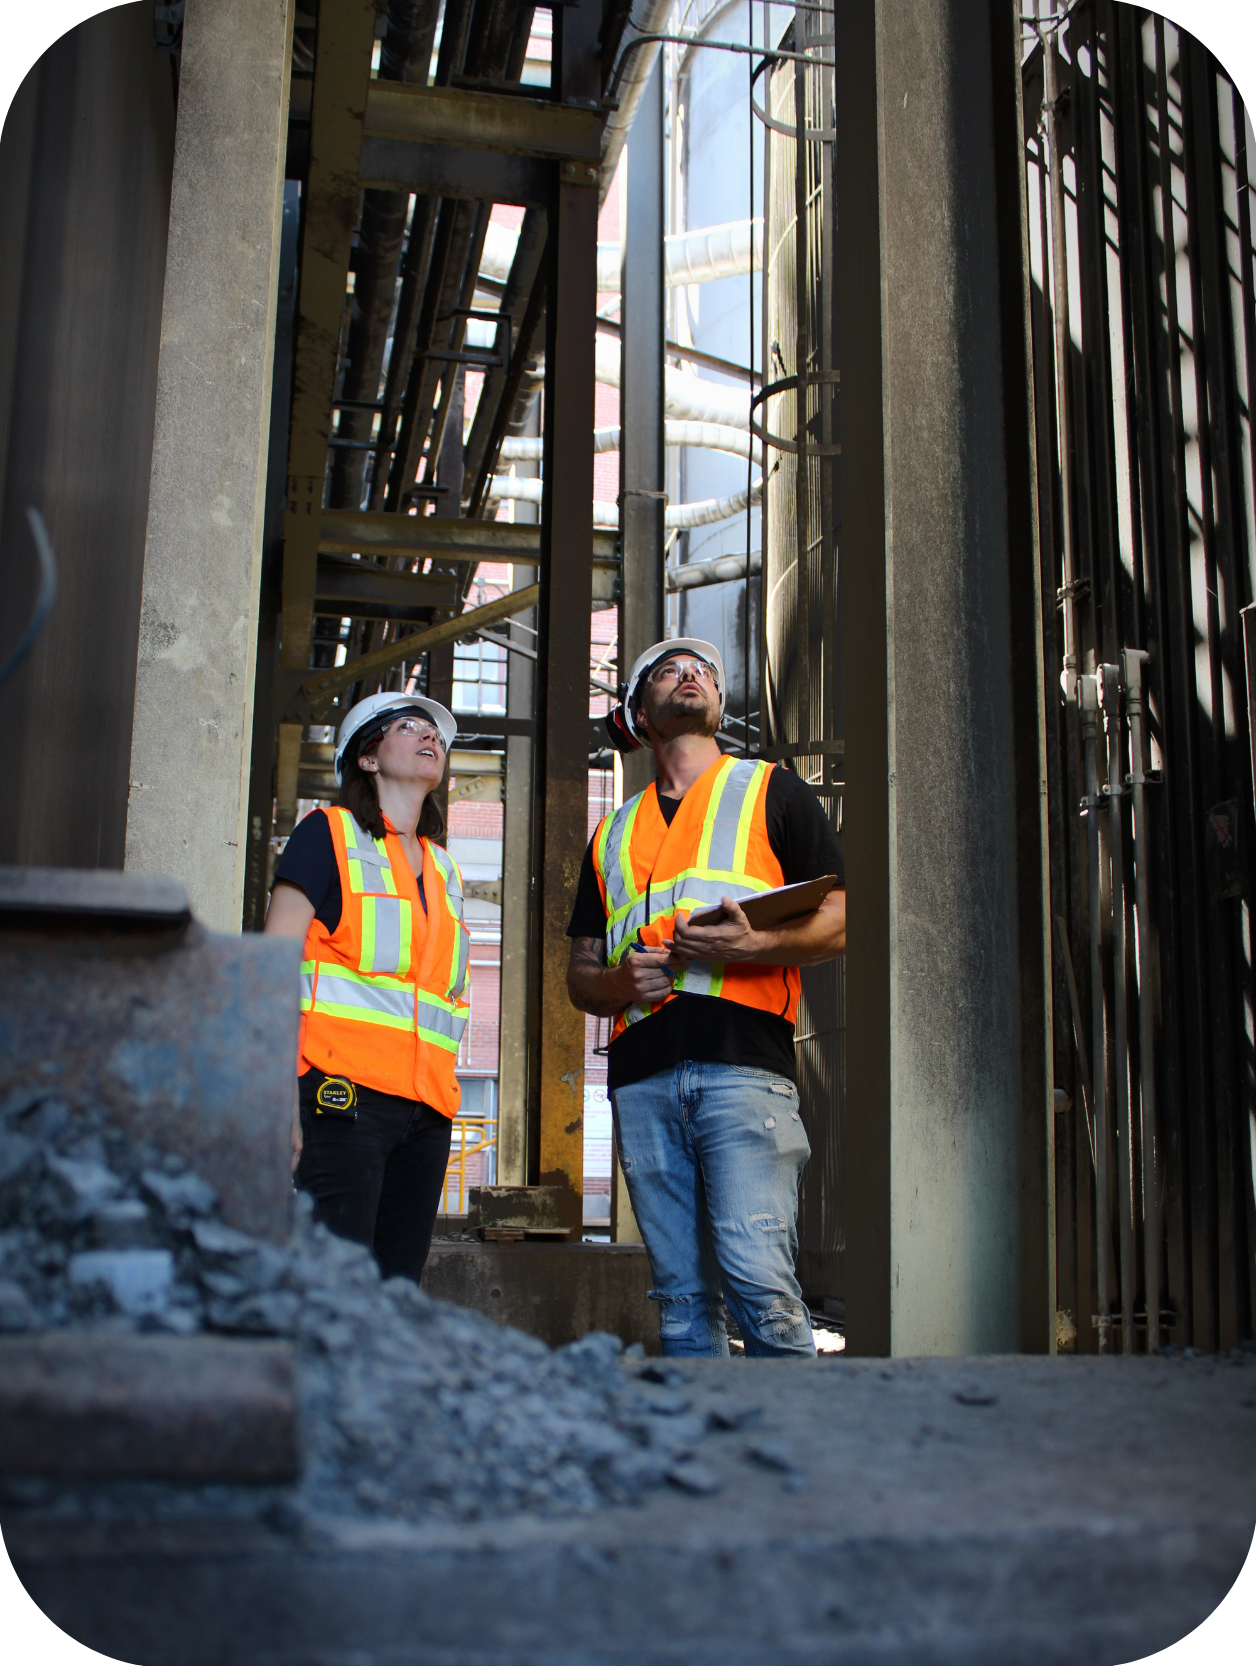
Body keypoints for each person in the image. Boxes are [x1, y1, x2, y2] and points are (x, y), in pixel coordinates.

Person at [567, 640, 846, 1357]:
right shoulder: (611, 834)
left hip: (743, 1068)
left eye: (704, 674)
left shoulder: (770, 789)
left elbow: (841, 919)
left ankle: (802, 1455)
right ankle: (704, 1459)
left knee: (759, 1281)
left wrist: (755, 949)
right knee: (682, 1300)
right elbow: (581, 973)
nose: (691, 676)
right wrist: (620, 984)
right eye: (669, 671)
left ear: (719, 705)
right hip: (642, 1079)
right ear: (639, 715)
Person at [264, 691, 469, 1283]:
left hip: (425, 1113)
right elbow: (272, 965)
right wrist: (277, 1100)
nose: (431, 736)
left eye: (436, 732)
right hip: (339, 1100)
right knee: (335, 1290)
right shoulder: (326, 835)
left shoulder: (445, 870)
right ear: (368, 758)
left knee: (395, 1291)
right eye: (409, 726)